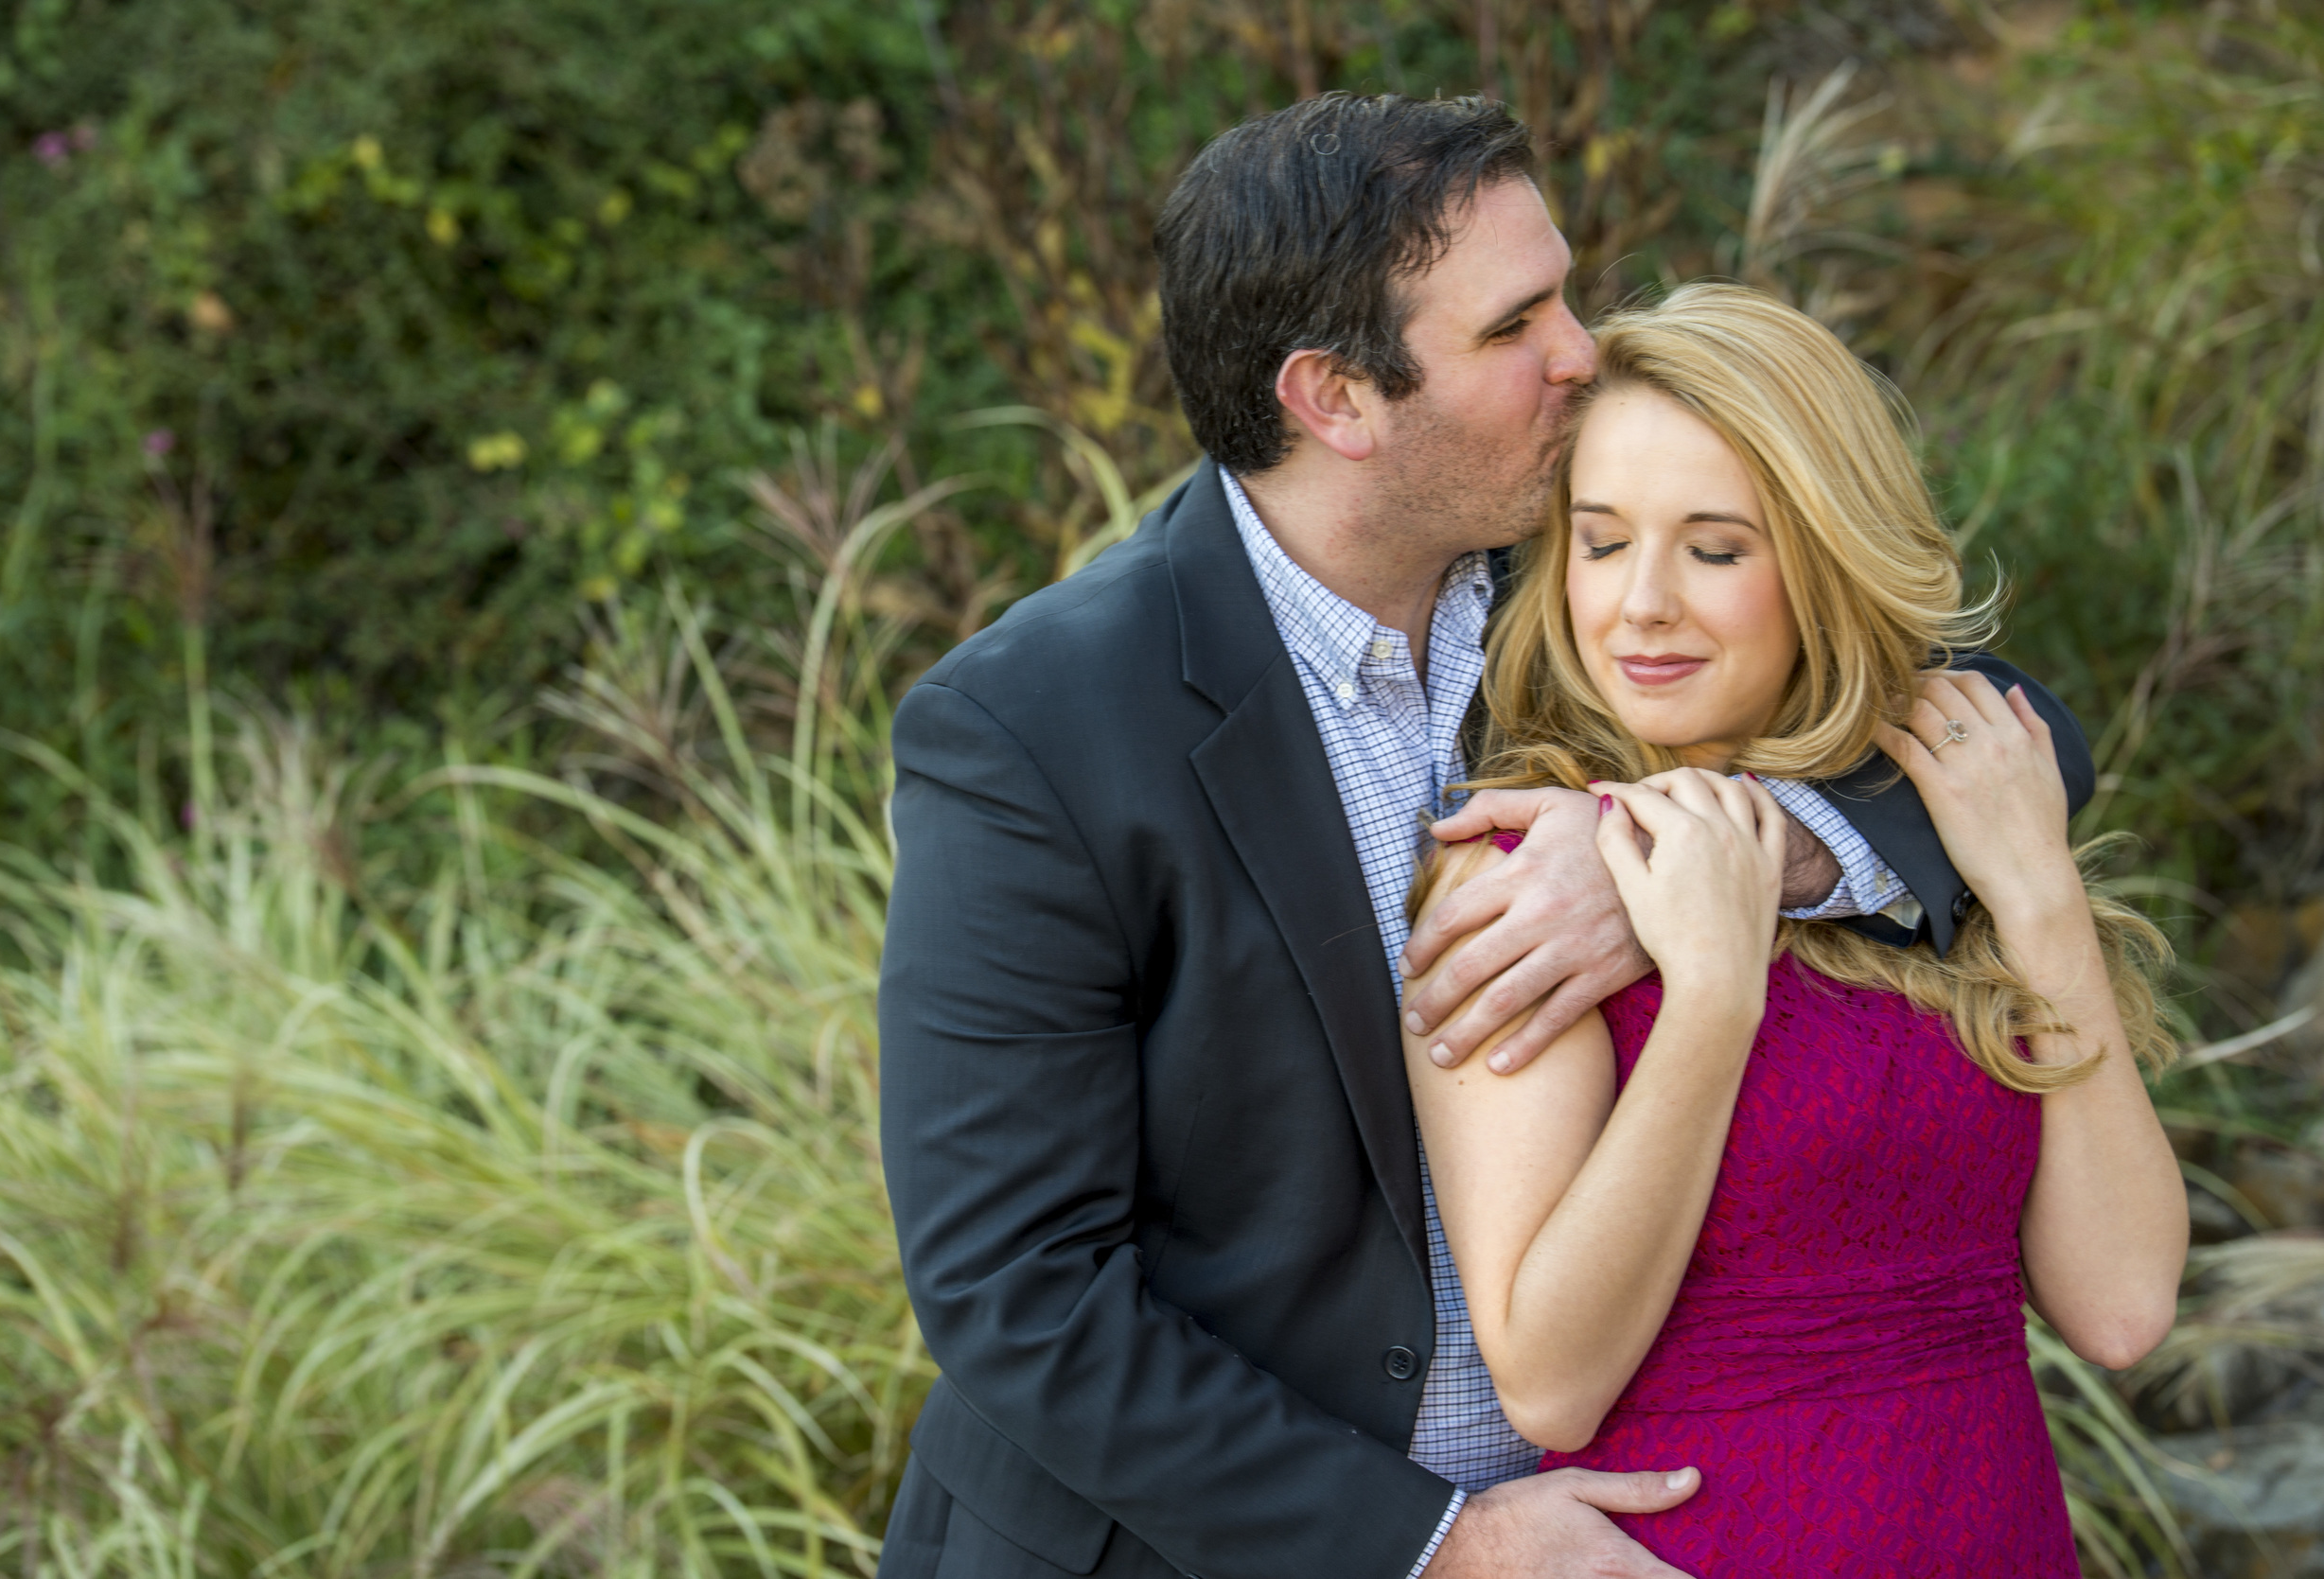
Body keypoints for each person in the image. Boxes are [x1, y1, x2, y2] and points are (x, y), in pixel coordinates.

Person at [876, 94, 2094, 1579]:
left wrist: (1739, 840)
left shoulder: (1582, 550)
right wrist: (1440, 1544)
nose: (1582, 349)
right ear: (1337, 399)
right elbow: (1019, 1294)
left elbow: (2007, 717)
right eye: (1517, 323)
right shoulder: (1035, 730)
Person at [1402, 283, 2189, 1577]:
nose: (1641, 604)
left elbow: (2120, 1304)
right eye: (1601, 543)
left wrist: (2037, 890)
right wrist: (1710, 1003)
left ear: (1825, 560)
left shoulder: (1933, 839)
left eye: (1715, 549)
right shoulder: (1530, 878)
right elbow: (1549, 1378)